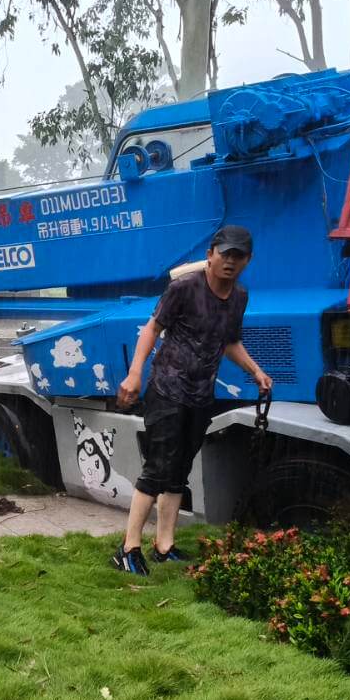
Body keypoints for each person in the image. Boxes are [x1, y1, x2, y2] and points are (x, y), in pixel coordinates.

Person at [113, 225, 272, 575]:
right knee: (157, 468)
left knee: (179, 471)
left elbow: (229, 341)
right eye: (224, 253)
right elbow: (152, 328)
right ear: (210, 254)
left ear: (248, 260)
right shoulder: (184, 288)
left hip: (201, 395)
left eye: (238, 255)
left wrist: (255, 371)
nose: (230, 261)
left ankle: (164, 545)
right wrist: (135, 373)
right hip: (167, 389)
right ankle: (128, 548)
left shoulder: (240, 297)